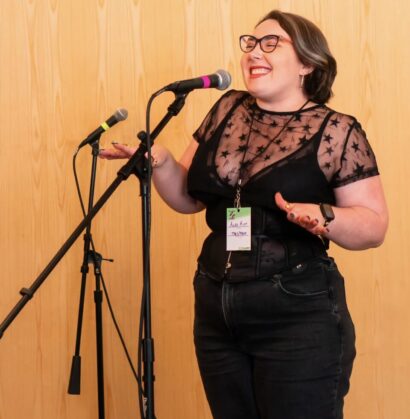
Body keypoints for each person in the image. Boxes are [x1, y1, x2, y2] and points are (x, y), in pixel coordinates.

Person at [100, 9, 388, 419]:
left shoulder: (337, 130)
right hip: (217, 305)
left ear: (307, 63)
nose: (255, 52)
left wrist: (324, 215)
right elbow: (189, 198)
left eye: (271, 43)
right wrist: (161, 162)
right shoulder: (227, 110)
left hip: (296, 312)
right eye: (250, 43)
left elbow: (374, 226)